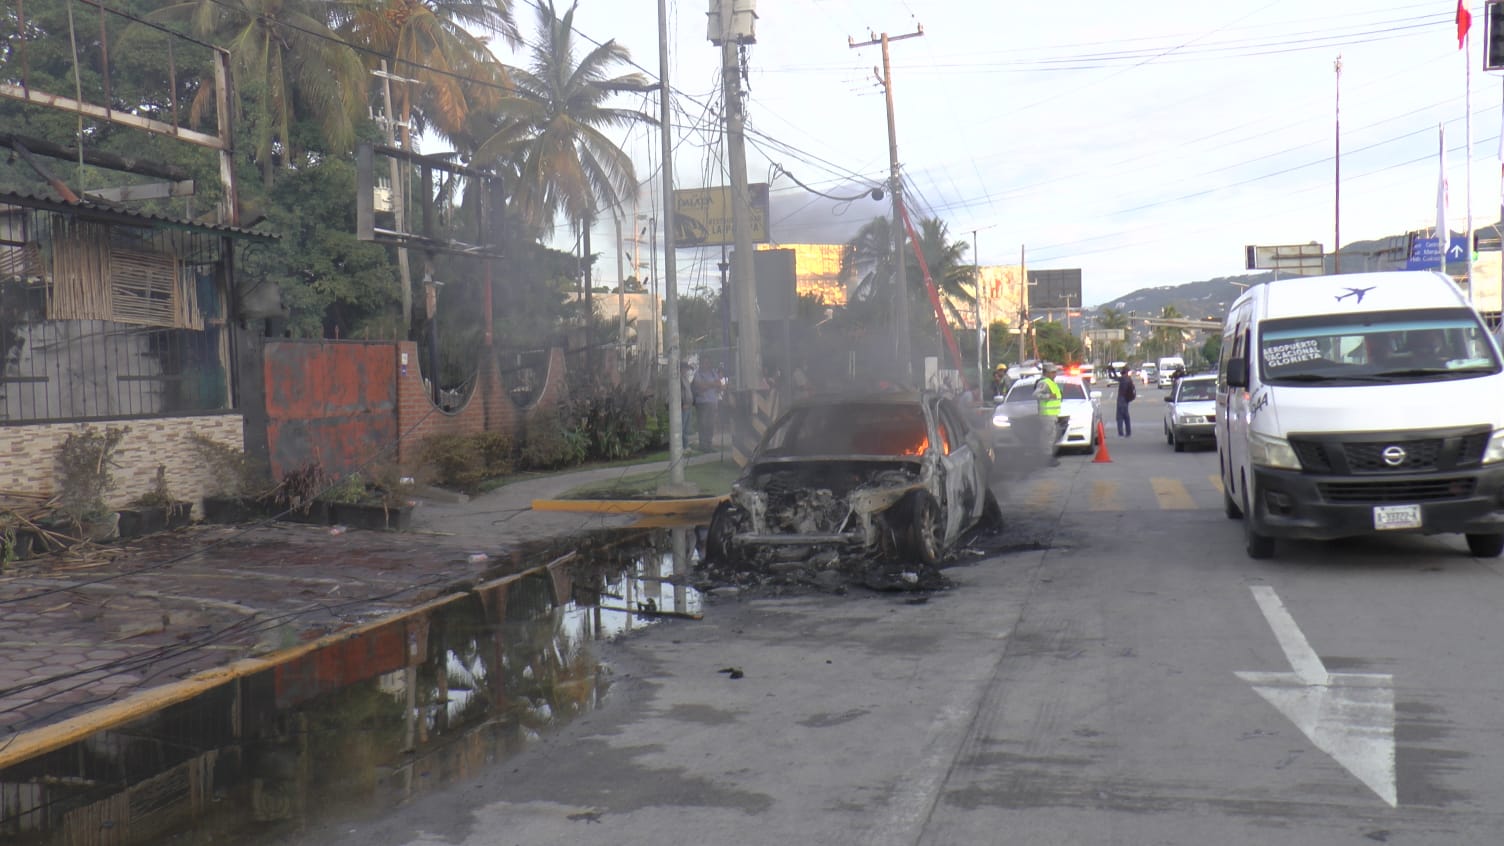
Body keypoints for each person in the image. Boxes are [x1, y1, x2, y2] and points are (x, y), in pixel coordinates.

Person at [1033, 363, 1063, 467]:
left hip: (1052, 415)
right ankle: (1046, 458)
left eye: (1055, 372)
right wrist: (1049, 396)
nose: (1055, 374)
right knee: (1048, 437)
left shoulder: (1051, 382)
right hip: (1047, 415)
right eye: (1052, 372)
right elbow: (1036, 394)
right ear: (1046, 373)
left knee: (1050, 436)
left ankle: (1047, 457)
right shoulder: (1044, 382)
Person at [693, 362, 722, 451]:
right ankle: (703, 445)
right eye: (704, 362)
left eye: (707, 362)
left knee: (711, 424)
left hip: (713, 402)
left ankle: (709, 444)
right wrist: (713, 384)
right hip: (702, 403)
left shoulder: (713, 373)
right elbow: (700, 386)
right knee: (703, 424)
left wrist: (708, 385)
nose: (706, 364)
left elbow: (719, 384)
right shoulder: (698, 374)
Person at [679, 360, 696, 449]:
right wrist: (682, 405)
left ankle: (685, 446)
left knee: (686, 429)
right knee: (682, 428)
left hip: (688, 406)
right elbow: (677, 394)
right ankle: (681, 447)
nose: (687, 370)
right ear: (681, 369)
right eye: (685, 368)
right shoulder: (678, 379)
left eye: (687, 369)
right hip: (683, 407)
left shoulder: (685, 378)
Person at [1115, 368, 1137, 437]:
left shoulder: (1123, 379)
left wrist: (1111, 371)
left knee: (1119, 416)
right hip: (1126, 399)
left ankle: (1121, 433)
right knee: (1126, 416)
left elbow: (1114, 378)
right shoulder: (1129, 379)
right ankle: (1128, 432)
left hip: (1121, 398)